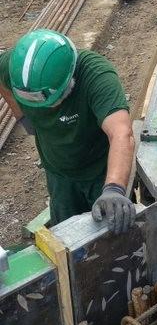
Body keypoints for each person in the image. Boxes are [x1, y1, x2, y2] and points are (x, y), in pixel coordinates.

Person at [0, 29, 136, 235]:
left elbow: (121, 133)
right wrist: (22, 116)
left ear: (71, 79)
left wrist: (114, 188)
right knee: (66, 236)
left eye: (54, 102)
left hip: (100, 170)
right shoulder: (11, 67)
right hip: (59, 172)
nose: (48, 109)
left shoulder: (96, 75)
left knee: (116, 231)